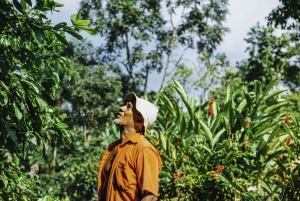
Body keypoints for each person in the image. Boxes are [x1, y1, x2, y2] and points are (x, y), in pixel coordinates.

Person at [97, 92, 162, 201]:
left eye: (128, 107)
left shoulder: (143, 149)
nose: (121, 108)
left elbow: (150, 197)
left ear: (139, 121)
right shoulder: (113, 147)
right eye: (124, 105)